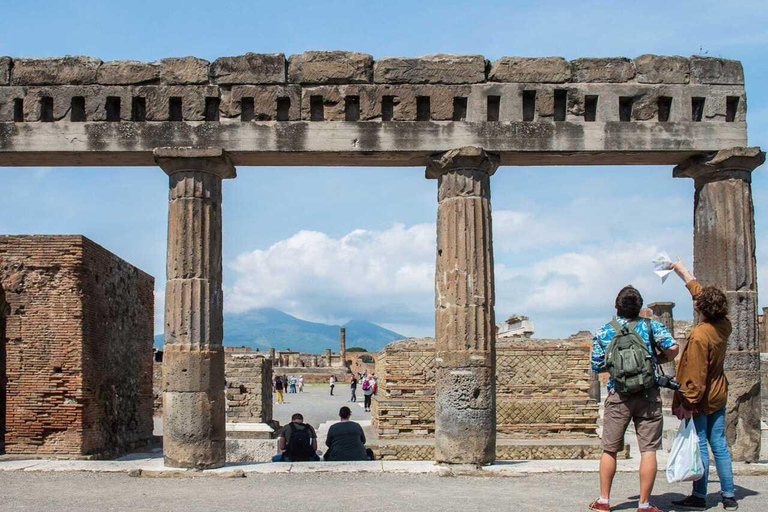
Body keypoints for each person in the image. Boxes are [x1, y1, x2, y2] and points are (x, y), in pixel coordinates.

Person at [589, 285, 679, 512]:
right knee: (648, 450)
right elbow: (674, 348)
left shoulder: (603, 331)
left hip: (618, 394)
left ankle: (603, 500)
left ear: (616, 307)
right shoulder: (653, 326)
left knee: (609, 449)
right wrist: (655, 360)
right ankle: (644, 503)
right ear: (640, 307)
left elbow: (597, 366)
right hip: (648, 394)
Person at [668, 259, 738, 511]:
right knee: (719, 444)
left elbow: (696, 375)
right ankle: (729, 495)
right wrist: (682, 272)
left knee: (699, 444)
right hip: (719, 392)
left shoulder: (699, 335)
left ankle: (699, 496)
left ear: (700, 308)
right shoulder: (724, 324)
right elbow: (705, 297)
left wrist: (688, 401)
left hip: (701, 397)